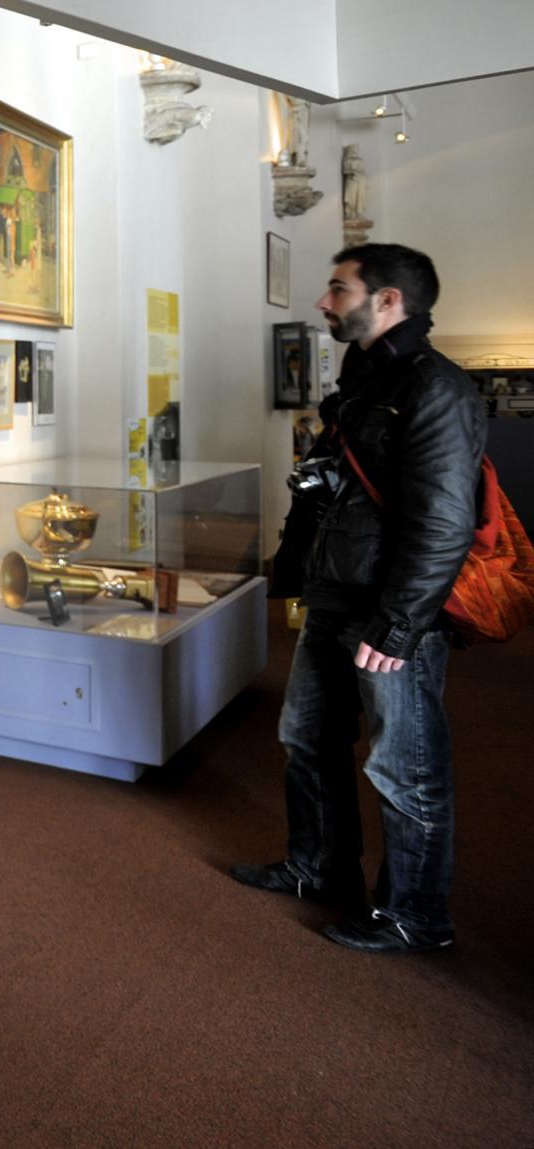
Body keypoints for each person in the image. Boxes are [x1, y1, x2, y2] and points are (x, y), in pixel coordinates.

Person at [235, 243, 485, 953]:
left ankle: (416, 914)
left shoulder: (437, 388)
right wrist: (295, 573)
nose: (323, 301)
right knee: (306, 737)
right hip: (336, 595)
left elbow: (444, 522)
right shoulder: (364, 376)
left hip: (390, 613)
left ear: (388, 300)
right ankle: (318, 866)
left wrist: (400, 626)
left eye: (338, 289)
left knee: (404, 766)